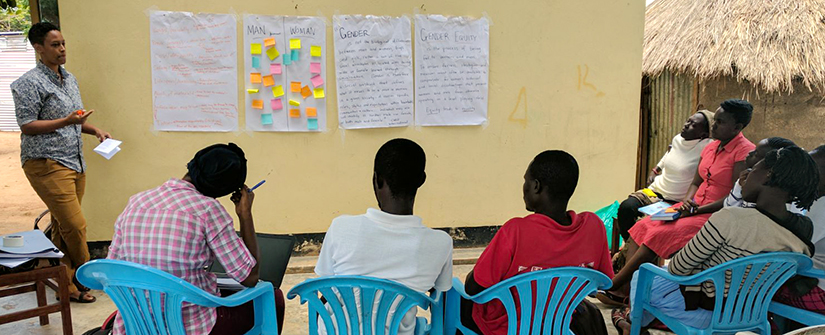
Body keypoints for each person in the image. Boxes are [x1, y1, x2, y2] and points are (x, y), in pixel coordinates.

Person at [611, 146, 820, 335]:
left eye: (752, 170)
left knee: (643, 274)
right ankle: (633, 321)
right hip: (753, 314)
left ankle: (633, 321)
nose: (744, 176)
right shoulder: (803, 228)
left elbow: (678, 269)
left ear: (768, 176)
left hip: (706, 313)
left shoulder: (731, 217)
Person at [107, 143, 284, 335]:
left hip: (136, 324)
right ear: (224, 189)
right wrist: (245, 215)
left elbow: (112, 268)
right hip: (189, 327)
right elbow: (250, 277)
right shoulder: (208, 209)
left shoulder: (136, 202)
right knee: (273, 297)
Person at [599, 99, 756, 306]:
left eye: (720, 122)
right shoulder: (711, 148)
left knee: (657, 235)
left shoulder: (744, 152)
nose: (714, 126)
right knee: (642, 226)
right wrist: (688, 202)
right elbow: (696, 182)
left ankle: (616, 283)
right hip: (692, 208)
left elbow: (734, 197)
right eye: (715, 120)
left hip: (716, 215)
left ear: (737, 127)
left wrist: (696, 209)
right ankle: (628, 291)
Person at [459, 150, 614, 335]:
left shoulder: (515, 231)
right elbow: (603, 282)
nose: (523, 187)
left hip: (505, 327)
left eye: (526, 180)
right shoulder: (593, 227)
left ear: (536, 186)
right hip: (558, 324)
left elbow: (473, 287)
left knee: (453, 297)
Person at [11, 22, 112, 304]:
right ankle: (87, 271)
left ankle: (63, 283)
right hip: (45, 163)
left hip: (74, 162)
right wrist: (67, 121)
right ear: (38, 48)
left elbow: (75, 118)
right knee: (75, 225)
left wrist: (94, 130)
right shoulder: (27, 83)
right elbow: (28, 124)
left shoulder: (69, 79)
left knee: (61, 226)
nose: (62, 49)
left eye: (63, 43)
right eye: (55, 45)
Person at [314, 138, 453, 335]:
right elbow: (441, 295)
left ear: (377, 180)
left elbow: (326, 287)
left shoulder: (341, 227)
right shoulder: (440, 244)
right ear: (421, 180)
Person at [616, 110, 714, 241]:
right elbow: (668, 155)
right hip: (656, 192)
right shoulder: (678, 139)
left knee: (655, 227)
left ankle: (639, 251)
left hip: (677, 201)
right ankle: (628, 247)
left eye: (693, 125)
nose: (686, 125)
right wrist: (655, 170)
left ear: (704, 134)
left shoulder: (708, 146)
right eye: (688, 121)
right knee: (626, 208)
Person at [773, 145, 825, 316]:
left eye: (811, 170)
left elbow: (798, 250)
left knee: (756, 288)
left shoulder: (822, 206)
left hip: (821, 292)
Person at [723, 137, 795, 208]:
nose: (750, 153)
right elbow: (728, 208)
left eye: (756, 154)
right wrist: (739, 186)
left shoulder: (781, 192)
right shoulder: (745, 177)